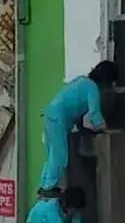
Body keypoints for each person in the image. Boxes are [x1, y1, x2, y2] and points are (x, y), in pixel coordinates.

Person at [37, 60, 119, 196]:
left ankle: (44, 185)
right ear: (106, 79)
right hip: (58, 118)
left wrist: (82, 128)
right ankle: (48, 187)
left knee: (52, 153)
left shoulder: (82, 82)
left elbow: (76, 107)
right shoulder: (93, 88)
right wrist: (103, 129)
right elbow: (94, 113)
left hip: (51, 114)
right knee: (60, 155)